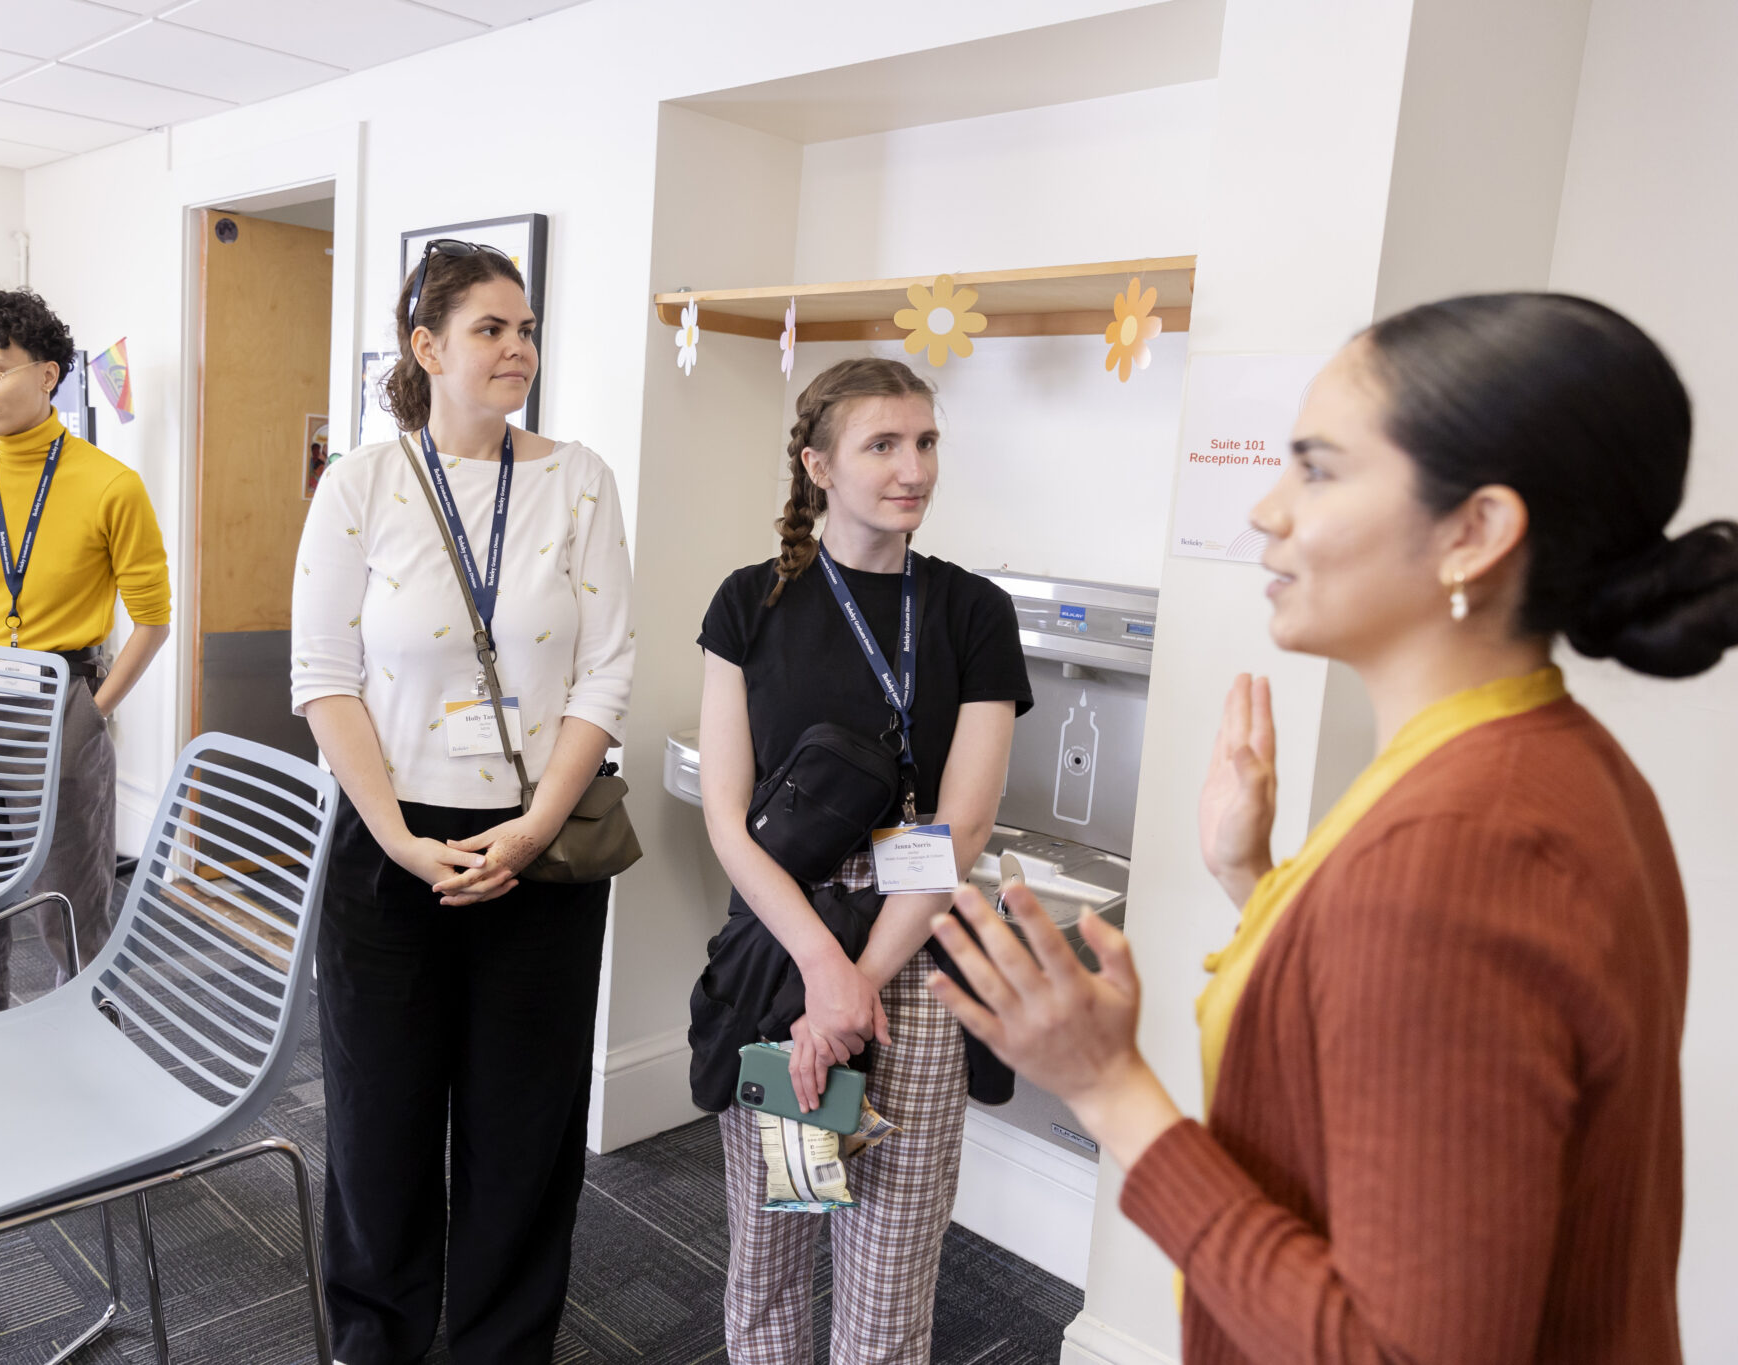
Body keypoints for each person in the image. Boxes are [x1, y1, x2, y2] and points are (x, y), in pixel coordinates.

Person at [928, 292, 1733, 1364]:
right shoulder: (1536, 758)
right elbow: (1407, 1028)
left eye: (1314, 468)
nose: (1264, 512)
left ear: (1473, 532)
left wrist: (1104, 1086)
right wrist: (1255, 880)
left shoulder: (1463, 845)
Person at [290, 241, 634, 1364]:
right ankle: (374, 1344)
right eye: (490, 329)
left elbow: (606, 671)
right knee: (380, 1124)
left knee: (523, 1131)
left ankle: (499, 1347)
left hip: (539, 841)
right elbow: (323, 674)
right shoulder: (362, 483)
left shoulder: (577, 480)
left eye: (526, 329)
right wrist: (393, 834)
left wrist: (533, 832)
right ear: (427, 347)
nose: (517, 349)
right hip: (390, 842)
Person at [690, 357, 1032, 1363]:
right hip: (786, 956)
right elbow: (726, 816)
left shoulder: (971, 613)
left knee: (887, 1267)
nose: (912, 467)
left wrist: (861, 979)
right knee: (776, 1247)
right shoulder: (748, 603)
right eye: (882, 444)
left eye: (924, 442)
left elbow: (958, 830)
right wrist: (820, 972)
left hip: (910, 958)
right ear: (817, 465)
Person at [0, 287, 170, 1021]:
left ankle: (89, 1054)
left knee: (69, 903)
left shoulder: (110, 484)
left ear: (48, 373)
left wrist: (91, 712)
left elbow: (152, 620)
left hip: (56, 693)